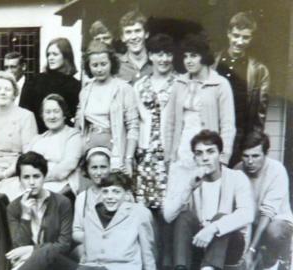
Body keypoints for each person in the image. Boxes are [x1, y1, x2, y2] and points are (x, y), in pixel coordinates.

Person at [163, 130, 255, 270]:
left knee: (220, 218)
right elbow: (168, 216)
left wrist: (213, 228)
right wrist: (188, 188)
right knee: (184, 216)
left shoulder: (237, 177)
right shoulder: (192, 180)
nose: (205, 158)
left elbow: (247, 214)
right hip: (200, 244)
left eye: (210, 152)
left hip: (230, 245)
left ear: (220, 155)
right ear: (194, 158)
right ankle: (181, 267)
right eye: (199, 153)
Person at [128, 33, 176, 269]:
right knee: (145, 212)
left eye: (168, 54)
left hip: (167, 157)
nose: (164, 59)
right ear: (152, 56)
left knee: (166, 212)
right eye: (159, 54)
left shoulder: (180, 83)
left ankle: (166, 262)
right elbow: (135, 121)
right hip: (146, 156)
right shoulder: (140, 85)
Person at [164, 33, 236, 165]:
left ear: (204, 56)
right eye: (185, 56)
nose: (188, 61)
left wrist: (223, 157)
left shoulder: (220, 84)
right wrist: (168, 154)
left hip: (207, 151)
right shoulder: (179, 83)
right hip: (182, 148)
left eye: (193, 56)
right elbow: (170, 122)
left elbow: (228, 125)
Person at [213, 12, 270, 167]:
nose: (239, 42)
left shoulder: (259, 71)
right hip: (212, 133)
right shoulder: (213, 64)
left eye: (245, 37)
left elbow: (260, 115)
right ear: (228, 34)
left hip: (240, 138)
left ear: (252, 38)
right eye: (236, 35)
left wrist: (252, 144)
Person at [74, 172, 156, 270]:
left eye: (116, 192)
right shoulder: (91, 213)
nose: (109, 196)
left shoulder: (139, 213)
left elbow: (147, 253)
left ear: (127, 194)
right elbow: (87, 254)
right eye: (105, 192)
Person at [6, 151, 74, 270]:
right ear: (19, 179)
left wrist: (32, 250)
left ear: (44, 177)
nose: (32, 182)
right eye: (26, 177)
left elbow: (64, 245)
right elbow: (18, 247)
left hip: (56, 263)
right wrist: (25, 215)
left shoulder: (62, 203)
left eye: (36, 176)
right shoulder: (13, 207)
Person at [235, 131, 293, 270]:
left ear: (265, 154)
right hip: (251, 223)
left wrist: (251, 249)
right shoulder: (237, 170)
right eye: (246, 156)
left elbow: (267, 213)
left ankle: (279, 260)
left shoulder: (277, 170)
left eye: (255, 156)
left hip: (276, 222)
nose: (250, 161)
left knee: (273, 231)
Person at [76, 40, 135, 173]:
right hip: (89, 149)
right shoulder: (85, 91)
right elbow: (79, 122)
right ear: (88, 66)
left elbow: (133, 126)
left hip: (114, 148)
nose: (99, 69)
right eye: (95, 65)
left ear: (111, 63)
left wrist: (128, 159)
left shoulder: (123, 88)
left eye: (104, 64)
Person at [19, 37, 81, 133]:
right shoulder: (34, 81)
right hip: (36, 135)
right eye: (48, 54)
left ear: (66, 56)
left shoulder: (75, 86)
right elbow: (24, 112)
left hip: (62, 137)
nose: (50, 58)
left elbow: (74, 117)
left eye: (55, 54)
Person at [28, 94, 82, 196]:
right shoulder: (37, 139)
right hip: (34, 183)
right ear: (42, 116)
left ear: (64, 114)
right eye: (47, 112)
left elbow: (67, 166)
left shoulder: (73, 136)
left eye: (56, 111)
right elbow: (25, 163)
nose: (52, 116)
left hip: (61, 185)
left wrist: (37, 177)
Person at [116, 10, 152, 86]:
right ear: (122, 37)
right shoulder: (116, 66)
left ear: (146, 34)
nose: (134, 37)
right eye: (128, 32)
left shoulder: (156, 62)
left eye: (138, 31)